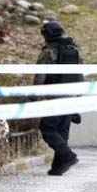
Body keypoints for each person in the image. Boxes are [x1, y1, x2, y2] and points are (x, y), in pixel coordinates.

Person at [34, 21, 83, 176]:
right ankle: (58, 167)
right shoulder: (74, 50)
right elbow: (80, 74)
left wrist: (33, 94)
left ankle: (68, 156)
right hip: (71, 95)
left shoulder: (49, 52)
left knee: (47, 128)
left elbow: (40, 76)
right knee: (62, 132)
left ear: (47, 35)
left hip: (55, 95)